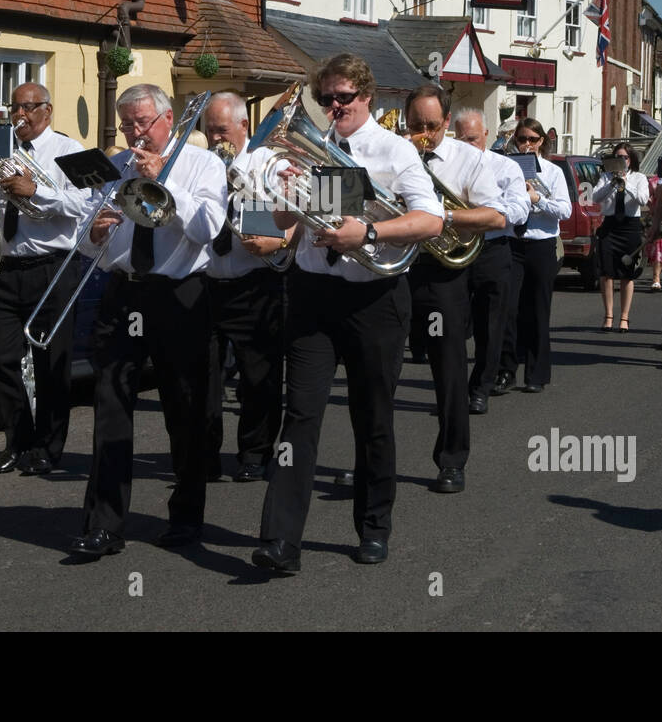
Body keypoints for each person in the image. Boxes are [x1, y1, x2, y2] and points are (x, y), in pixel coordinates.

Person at [253, 54, 442, 573]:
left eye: (344, 98)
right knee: (300, 416)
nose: (335, 107)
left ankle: (374, 525)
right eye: (327, 99)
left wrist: (371, 232)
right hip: (314, 291)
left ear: (367, 97)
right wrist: (285, 193)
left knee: (372, 415)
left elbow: (431, 220)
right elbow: (283, 222)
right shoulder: (305, 150)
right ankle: (281, 541)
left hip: (374, 297)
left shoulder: (394, 150)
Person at [69, 84, 226, 558]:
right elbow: (84, 244)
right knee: (110, 404)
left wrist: (165, 182)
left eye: (143, 123)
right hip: (124, 293)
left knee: (185, 407)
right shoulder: (113, 169)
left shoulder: (204, 164)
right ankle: (104, 523)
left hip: (179, 294)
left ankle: (185, 517)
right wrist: (92, 235)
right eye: (127, 125)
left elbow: (207, 229)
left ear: (169, 120)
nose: (135, 133)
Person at [0, 83, 91, 477]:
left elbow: (88, 204)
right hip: (7, 267)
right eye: (14, 108)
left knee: (52, 362)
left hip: (54, 267)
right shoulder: (2, 151)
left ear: (47, 110)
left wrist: (36, 190)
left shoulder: (71, 151)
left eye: (28, 108)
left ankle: (48, 446)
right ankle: (19, 438)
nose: (19, 115)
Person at [404, 87, 509, 494]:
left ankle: (451, 460)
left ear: (446, 122)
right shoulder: (395, 153)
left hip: (439, 274)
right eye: (416, 126)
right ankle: (374, 465)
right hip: (391, 269)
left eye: (432, 126)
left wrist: (440, 216)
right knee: (377, 371)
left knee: (448, 369)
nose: (424, 135)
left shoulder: (470, 159)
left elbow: (496, 216)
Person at [201, 92, 293, 484]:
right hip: (206, 282)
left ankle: (255, 454)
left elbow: (296, 213)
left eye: (222, 131)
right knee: (201, 379)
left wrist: (275, 233)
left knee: (259, 378)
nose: (215, 139)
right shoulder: (200, 165)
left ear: (244, 127)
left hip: (255, 282)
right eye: (209, 132)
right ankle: (203, 455)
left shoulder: (270, 164)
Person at [451, 109, 529, 405]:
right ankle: (453, 387)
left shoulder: (506, 167)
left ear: (486, 135)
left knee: (491, 324)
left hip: (492, 250)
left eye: (473, 138)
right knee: (450, 323)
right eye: (461, 139)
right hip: (455, 248)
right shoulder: (447, 165)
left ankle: (480, 389)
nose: (467, 145)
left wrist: (490, 216)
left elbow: (520, 208)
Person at [498, 118, 571, 393]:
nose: (527, 144)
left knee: (538, 310)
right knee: (508, 309)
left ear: (541, 141)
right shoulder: (507, 169)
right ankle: (506, 370)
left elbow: (565, 211)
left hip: (541, 244)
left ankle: (536, 373)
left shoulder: (552, 172)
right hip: (513, 242)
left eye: (532, 139)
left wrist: (537, 198)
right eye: (521, 139)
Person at [592, 143, 650, 332]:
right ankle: (608, 315)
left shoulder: (639, 178)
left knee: (626, 275)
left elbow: (642, 199)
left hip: (629, 227)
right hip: (610, 225)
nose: (621, 161)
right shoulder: (605, 177)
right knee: (606, 273)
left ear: (630, 159)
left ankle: (624, 317)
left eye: (624, 157)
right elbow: (595, 198)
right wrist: (612, 183)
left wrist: (626, 183)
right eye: (617, 157)